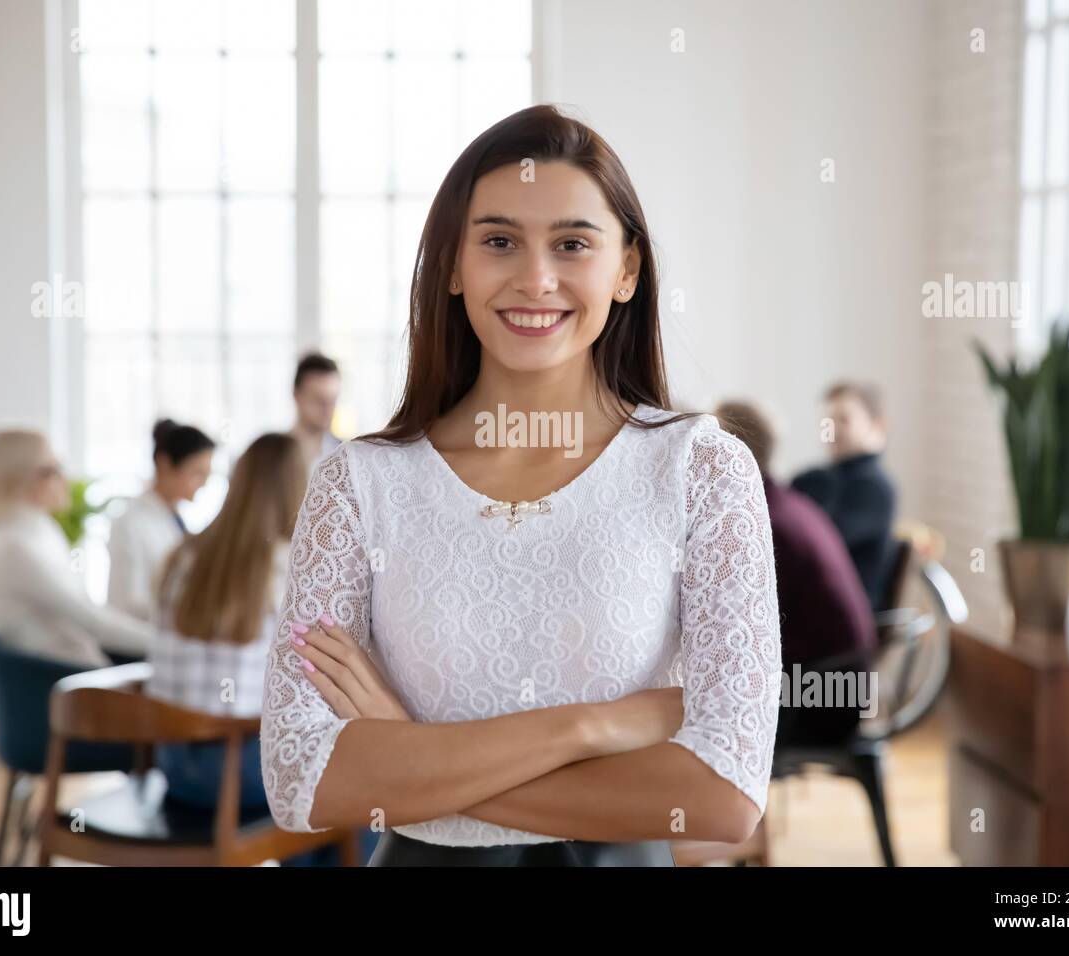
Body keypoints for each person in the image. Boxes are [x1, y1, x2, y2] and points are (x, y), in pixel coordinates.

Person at [260, 105, 782, 866]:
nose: (536, 279)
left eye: (572, 243)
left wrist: (413, 757)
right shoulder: (357, 483)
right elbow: (301, 778)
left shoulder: (702, 470)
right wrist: (590, 728)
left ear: (627, 269)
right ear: (452, 264)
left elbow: (723, 795)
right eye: (499, 241)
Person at [148, 432, 379, 866]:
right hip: (241, 774)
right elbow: (328, 678)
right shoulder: (291, 565)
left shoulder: (180, 556)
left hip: (175, 767)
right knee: (360, 789)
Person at [715, 401, 876, 745]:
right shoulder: (787, 504)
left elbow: (746, 630)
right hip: (841, 686)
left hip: (822, 702)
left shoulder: (763, 524)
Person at [0, 429, 151, 668]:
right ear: (19, 477)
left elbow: (88, 613)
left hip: (79, 667)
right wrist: (167, 644)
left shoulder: (40, 528)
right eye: (52, 471)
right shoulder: (15, 547)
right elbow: (92, 621)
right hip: (59, 681)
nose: (64, 479)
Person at [792, 382, 899, 612]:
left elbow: (815, 548)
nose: (832, 429)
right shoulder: (813, 479)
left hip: (841, 617)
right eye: (827, 421)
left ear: (877, 425)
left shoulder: (874, 488)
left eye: (844, 419)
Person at [107, 419, 215, 622]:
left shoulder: (175, 521)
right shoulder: (130, 523)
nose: (204, 484)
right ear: (164, 464)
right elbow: (128, 603)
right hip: (136, 642)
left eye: (207, 475)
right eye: (197, 473)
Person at [289, 352, 342, 478]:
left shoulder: (345, 456)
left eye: (332, 400)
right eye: (317, 399)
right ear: (297, 396)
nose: (327, 408)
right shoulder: (272, 456)